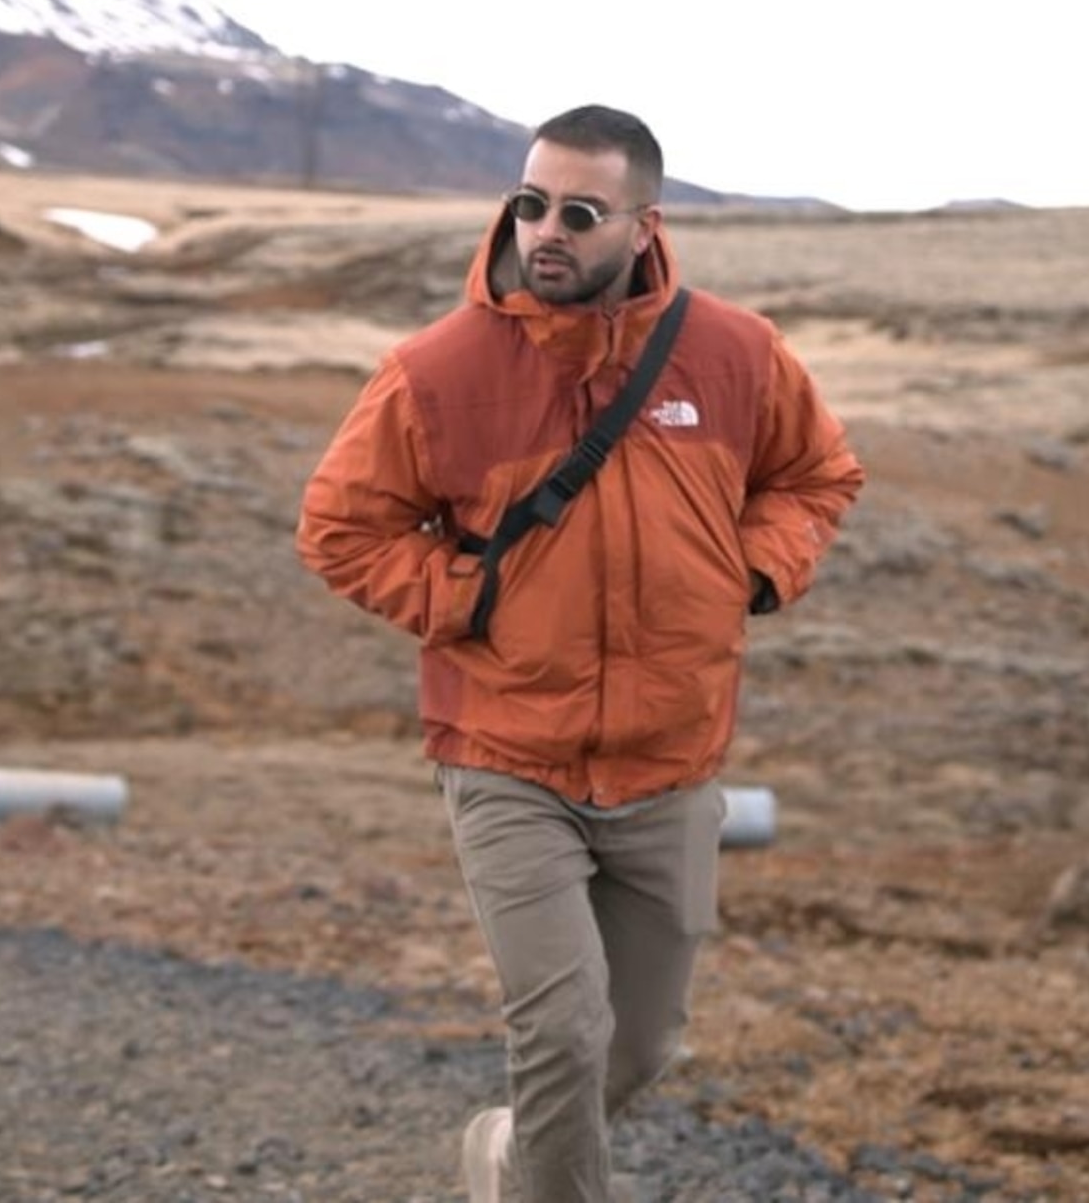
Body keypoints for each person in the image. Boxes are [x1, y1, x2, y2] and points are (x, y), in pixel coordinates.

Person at [297, 104, 864, 1203]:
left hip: (673, 764)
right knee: (561, 1033)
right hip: (508, 753)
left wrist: (751, 573)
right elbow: (339, 528)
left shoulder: (738, 356)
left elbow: (817, 476)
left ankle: (508, 1158)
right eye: (530, 203)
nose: (545, 230)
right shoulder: (437, 371)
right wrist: (467, 597)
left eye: (579, 212)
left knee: (638, 1048)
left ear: (645, 224)